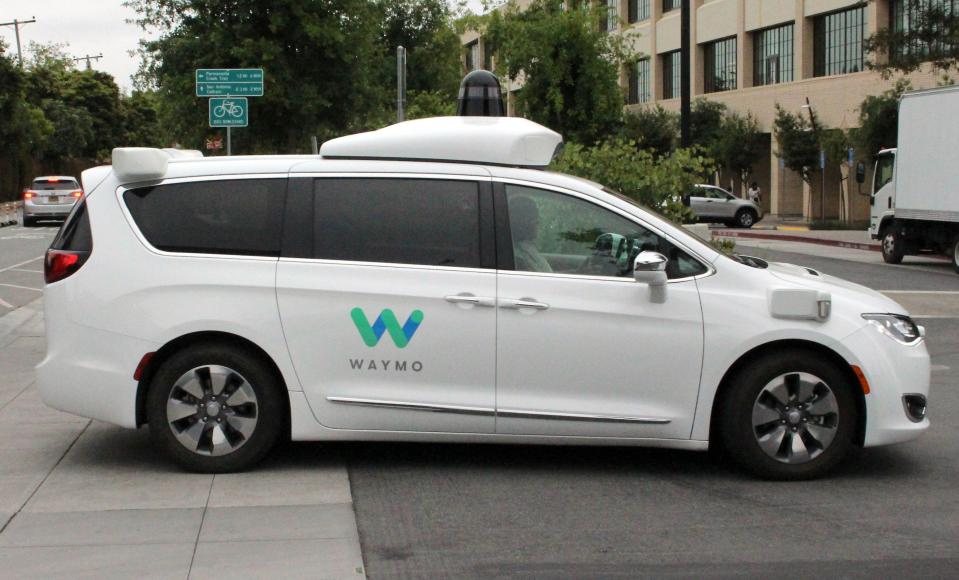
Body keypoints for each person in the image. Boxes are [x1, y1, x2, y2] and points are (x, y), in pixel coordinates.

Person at [509, 196, 553, 273]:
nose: (538, 221)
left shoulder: (524, 246)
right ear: (520, 221)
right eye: (533, 217)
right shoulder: (518, 259)